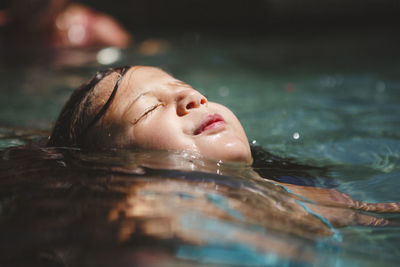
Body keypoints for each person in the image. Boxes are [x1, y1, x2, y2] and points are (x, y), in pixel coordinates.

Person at [48, 65, 400, 228]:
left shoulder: (317, 194)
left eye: (186, 87)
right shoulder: (140, 219)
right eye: (150, 108)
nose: (194, 97)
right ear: (112, 169)